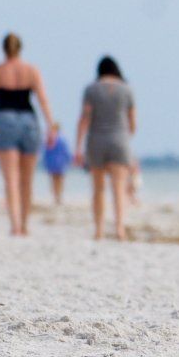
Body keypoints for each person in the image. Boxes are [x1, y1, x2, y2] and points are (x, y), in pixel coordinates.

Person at [0, 33, 61, 236]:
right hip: (29, 121)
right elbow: (43, 100)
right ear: (21, 48)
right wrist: (51, 126)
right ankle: (25, 226)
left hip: (5, 119)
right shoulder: (31, 70)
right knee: (27, 180)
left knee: (11, 180)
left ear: (3, 49)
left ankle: (15, 225)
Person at [76, 56, 138, 241]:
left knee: (98, 189)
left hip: (96, 141)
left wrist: (78, 147)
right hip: (120, 140)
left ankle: (99, 230)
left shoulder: (91, 89)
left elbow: (85, 118)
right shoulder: (127, 90)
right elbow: (133, 123)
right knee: (119, 188)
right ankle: (119, 228)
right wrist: (125, 137)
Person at [42, 133, 72, 206]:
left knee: (55, 181)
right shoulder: (61, 141)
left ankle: (56, 197)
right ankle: (58, 197)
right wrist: (68, 161)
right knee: (59, 181)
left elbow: (45, 153)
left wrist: (45, 163)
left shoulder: (49, 141)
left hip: (53, 164)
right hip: (60, 163)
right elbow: (66, 152)